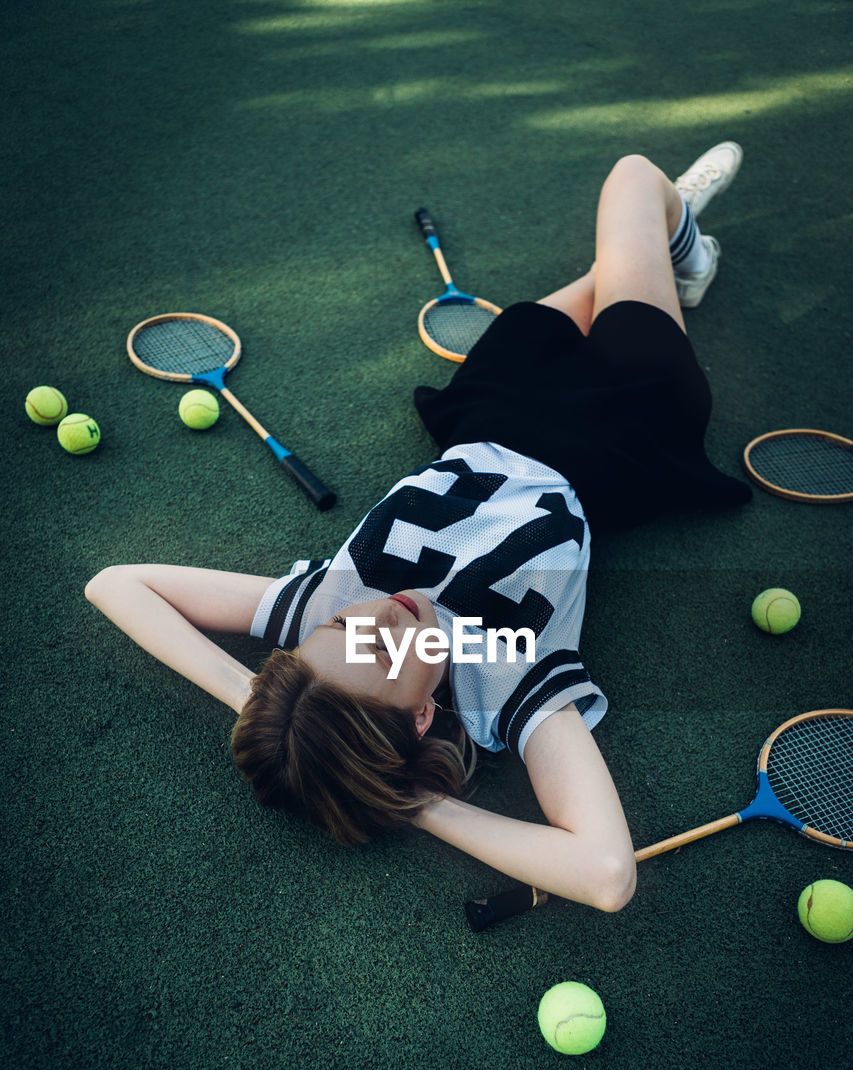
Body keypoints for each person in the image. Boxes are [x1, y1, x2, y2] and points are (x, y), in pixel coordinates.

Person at [85, 143, 750, 914]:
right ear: (425, 714)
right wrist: (414, 801)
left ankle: (660, 259)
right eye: (389, 650)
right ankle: (684, 253)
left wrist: (253, 694)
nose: (374, 614)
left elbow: (115, 584)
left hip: (495, 404)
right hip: (625, 425)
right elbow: (605, 876)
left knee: (593, 277)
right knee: (634, 179)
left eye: (340, 628)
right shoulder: (506, 688)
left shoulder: (317, 622)